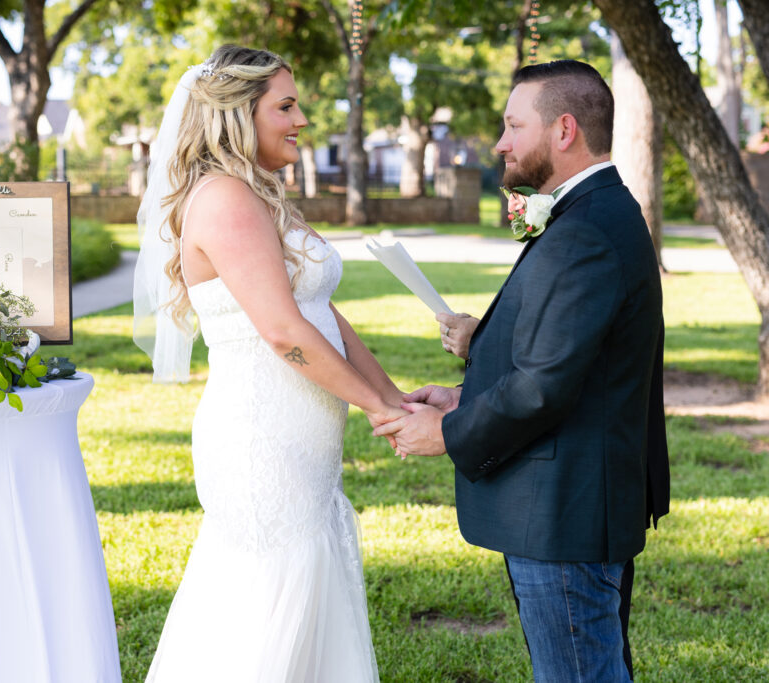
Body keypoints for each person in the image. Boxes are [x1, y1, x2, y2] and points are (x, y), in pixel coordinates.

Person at [375, 60, 671, 682]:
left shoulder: (585, 230)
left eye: (513, 126)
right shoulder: (594, 213)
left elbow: (543, 385)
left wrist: (446, 433)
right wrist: (465, 395)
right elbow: (575, 355)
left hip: (564, 514)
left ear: (564, 130)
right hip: (576, 501)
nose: (501, 142)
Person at [133, 44, 406, 682]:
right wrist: (378, 410)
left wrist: (392, 396)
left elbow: (321, 315)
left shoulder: (261, 194)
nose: (301, 119)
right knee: (264, 613)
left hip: (299, 439)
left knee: (305, 598)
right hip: (261, 442)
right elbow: (285, 332)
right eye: (285, 105)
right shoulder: (226, 199)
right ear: (238, 114)